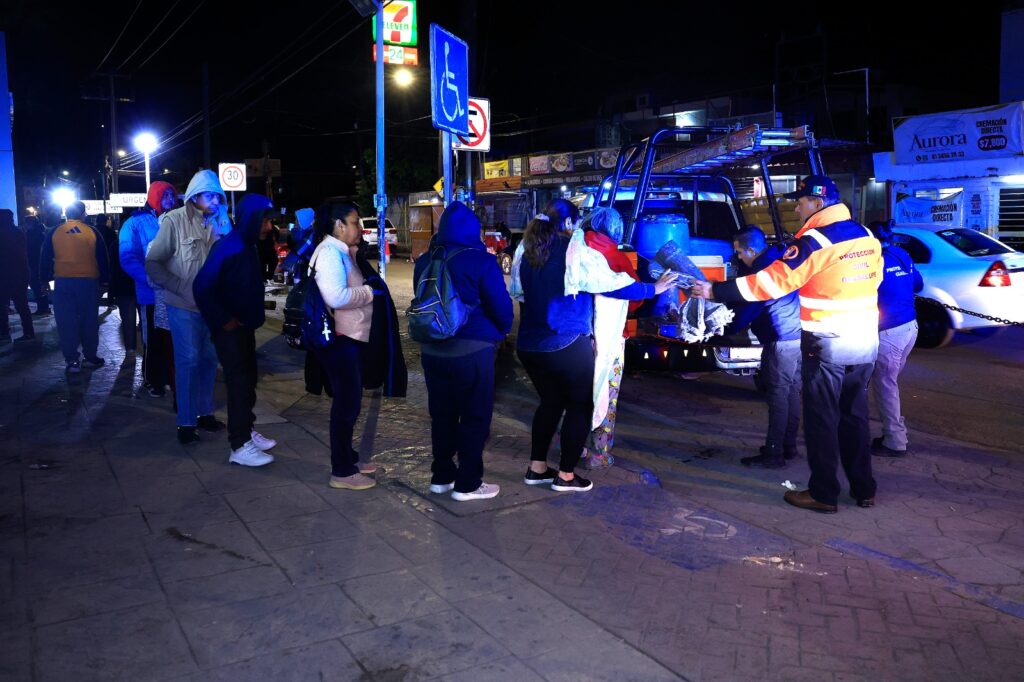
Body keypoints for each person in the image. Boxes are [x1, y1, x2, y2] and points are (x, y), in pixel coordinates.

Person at [692, 175, 883, 513]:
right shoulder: (865, 235)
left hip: (827, 341)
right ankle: (864, 488)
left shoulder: (815, 241)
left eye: (800, 201)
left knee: (821, 418)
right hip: (865, 339)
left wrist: (715, 290)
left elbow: (771, 283)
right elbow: (874, 278)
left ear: (817, 203)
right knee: (854, 414)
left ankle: (823, 494)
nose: (796, 208)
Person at [513, 199, 678, 493]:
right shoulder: (573, 251)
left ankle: (536, 468)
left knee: (550, 403)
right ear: (568, 223)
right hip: (565, 341)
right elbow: (611, 283)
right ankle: (566, 476)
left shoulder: (526, 251)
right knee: (580, 406)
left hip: (529, 344)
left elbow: (519, 292)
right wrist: (654, 288)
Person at [413, 201, 513, 501]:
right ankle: (468, 483)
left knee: (441, 415)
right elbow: (501, 308)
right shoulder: (481, 261)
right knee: (474, 416)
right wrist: (499, 333)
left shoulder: (425, 261)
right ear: (472, 230)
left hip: (433, 351)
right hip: (473, 351)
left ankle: (441, 476)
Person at [146, 170, 232, 444]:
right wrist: (180, 287)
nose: (215, 201)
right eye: (210, 195)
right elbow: (153, 263)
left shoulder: (222, 221)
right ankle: (186, 421)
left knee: (209, 360)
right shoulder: (174, 221)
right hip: (182, 306)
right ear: (195, 196)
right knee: (188, 360)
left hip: (212, 307)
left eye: (218, 196)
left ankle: (205, 413)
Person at [194, 194, 278, 467]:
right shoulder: (229, 247)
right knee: (239, 384)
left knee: (248, 381)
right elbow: (201, 287)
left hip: (243, 327)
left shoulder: (247, 244)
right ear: (251, 219)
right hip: (231, 330)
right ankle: (240, 445)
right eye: (265, 221)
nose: (269, 227)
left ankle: (246, 429)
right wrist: (224, 320)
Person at [308, 202, 379, 490]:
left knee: (349, 402)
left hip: (348, 338)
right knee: (346, 406)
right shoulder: (329, 254)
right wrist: (368, 292)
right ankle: (342, 471)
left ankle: (348, 458)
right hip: (339, 340)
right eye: (354, 222)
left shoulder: (340, 251)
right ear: (339, 225)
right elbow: (336, 297)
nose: (359, 228)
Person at [727, 226, 802, 468]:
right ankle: (788, 446)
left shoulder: (762, 272)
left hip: (780, 340)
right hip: (797, 334)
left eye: (740, 252)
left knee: (778, 395)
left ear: (751, 250)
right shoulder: (780, 261)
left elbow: (746, 312)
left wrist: (724, 328)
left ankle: (773, 454)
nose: (739, 257)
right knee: (791, 392)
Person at [577, 207, 642, 469]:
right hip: (610, 339)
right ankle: (599, 453)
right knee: (606, 394)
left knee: (575, 393)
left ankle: (573, 446)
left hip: (576, 338)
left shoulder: (575, 249)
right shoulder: (616, 257)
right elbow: (634, 299)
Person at [867, 219, 923, 457]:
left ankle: (895, 441)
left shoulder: (875, 261)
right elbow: (918, 284)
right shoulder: (902, 254)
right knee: (888, 383)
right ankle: (896, 433)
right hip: (909, 328)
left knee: (886, 385)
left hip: (889, 333)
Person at [121, 181, 178, 395]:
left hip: (176, 293)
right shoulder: (135, 223)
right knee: (153, 339)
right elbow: (128, 257)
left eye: (172, 196)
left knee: (174, 339)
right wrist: (151, 278)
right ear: (155, 196)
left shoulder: (178, 219)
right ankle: (154, 380)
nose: (170, 200)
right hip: (150, 294)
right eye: (165, 196)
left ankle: (172, 377)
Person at [39, 201, 109, 372]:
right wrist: (105, 282)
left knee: (66, 322)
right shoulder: (92, 232)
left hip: (63, 282)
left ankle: (72, 361)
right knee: (89, 320)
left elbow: (45, 257)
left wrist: (43, 280)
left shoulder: (54, 232)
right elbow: (102, 258)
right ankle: (90, 357)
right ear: (83, 214)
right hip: (88, 282)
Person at [0, 209, 35, 345]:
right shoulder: (18, 233)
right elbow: (22, 256)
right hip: (19, 274)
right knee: (22, 305)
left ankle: (4, 332)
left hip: (4, 275)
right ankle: (28, 332)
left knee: (2, 306)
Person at [22, 215, 50, 315]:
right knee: (39, 286)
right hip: (38, 264)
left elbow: (30, 250)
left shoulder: (32, 235)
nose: (25, 225)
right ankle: (44, 307)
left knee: (37, 287)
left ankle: (43, 308)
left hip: (34, 264)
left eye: (26, 223)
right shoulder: (40, 234)